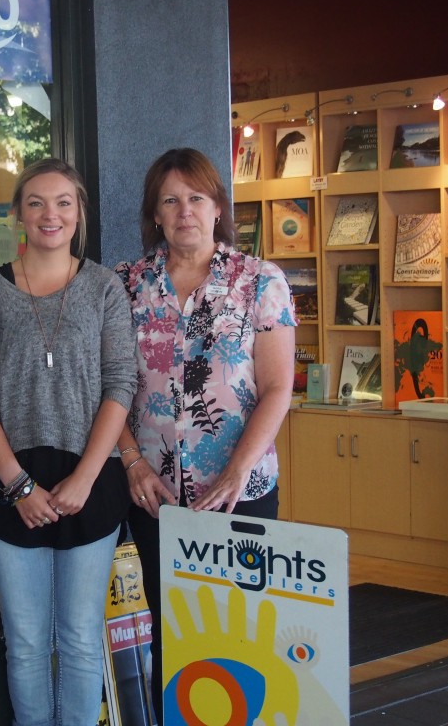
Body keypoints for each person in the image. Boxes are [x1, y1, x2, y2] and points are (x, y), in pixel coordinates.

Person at [114, 147, 297, 722]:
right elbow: (107, 390)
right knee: (174, 631)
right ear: (155, 214)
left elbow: (277, 387)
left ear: (218, 207)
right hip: (155, 495)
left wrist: (240, 468)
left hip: (239, 492)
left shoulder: (260, 282)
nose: (185, 210)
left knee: (238, 633)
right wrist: (132, 463)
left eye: (196, 197)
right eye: (170, 200)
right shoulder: (123, 286)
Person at [0, 158, 137, 726]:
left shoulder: (106, 289)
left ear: (79, 213)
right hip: (13, 487)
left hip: (91, 483)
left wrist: (85, 477)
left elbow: (121, 383)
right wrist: (17, 484)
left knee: (82, 639)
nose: (50, 214)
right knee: (28, 643)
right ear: (18, 216)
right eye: (36, 202)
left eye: (63, 202)